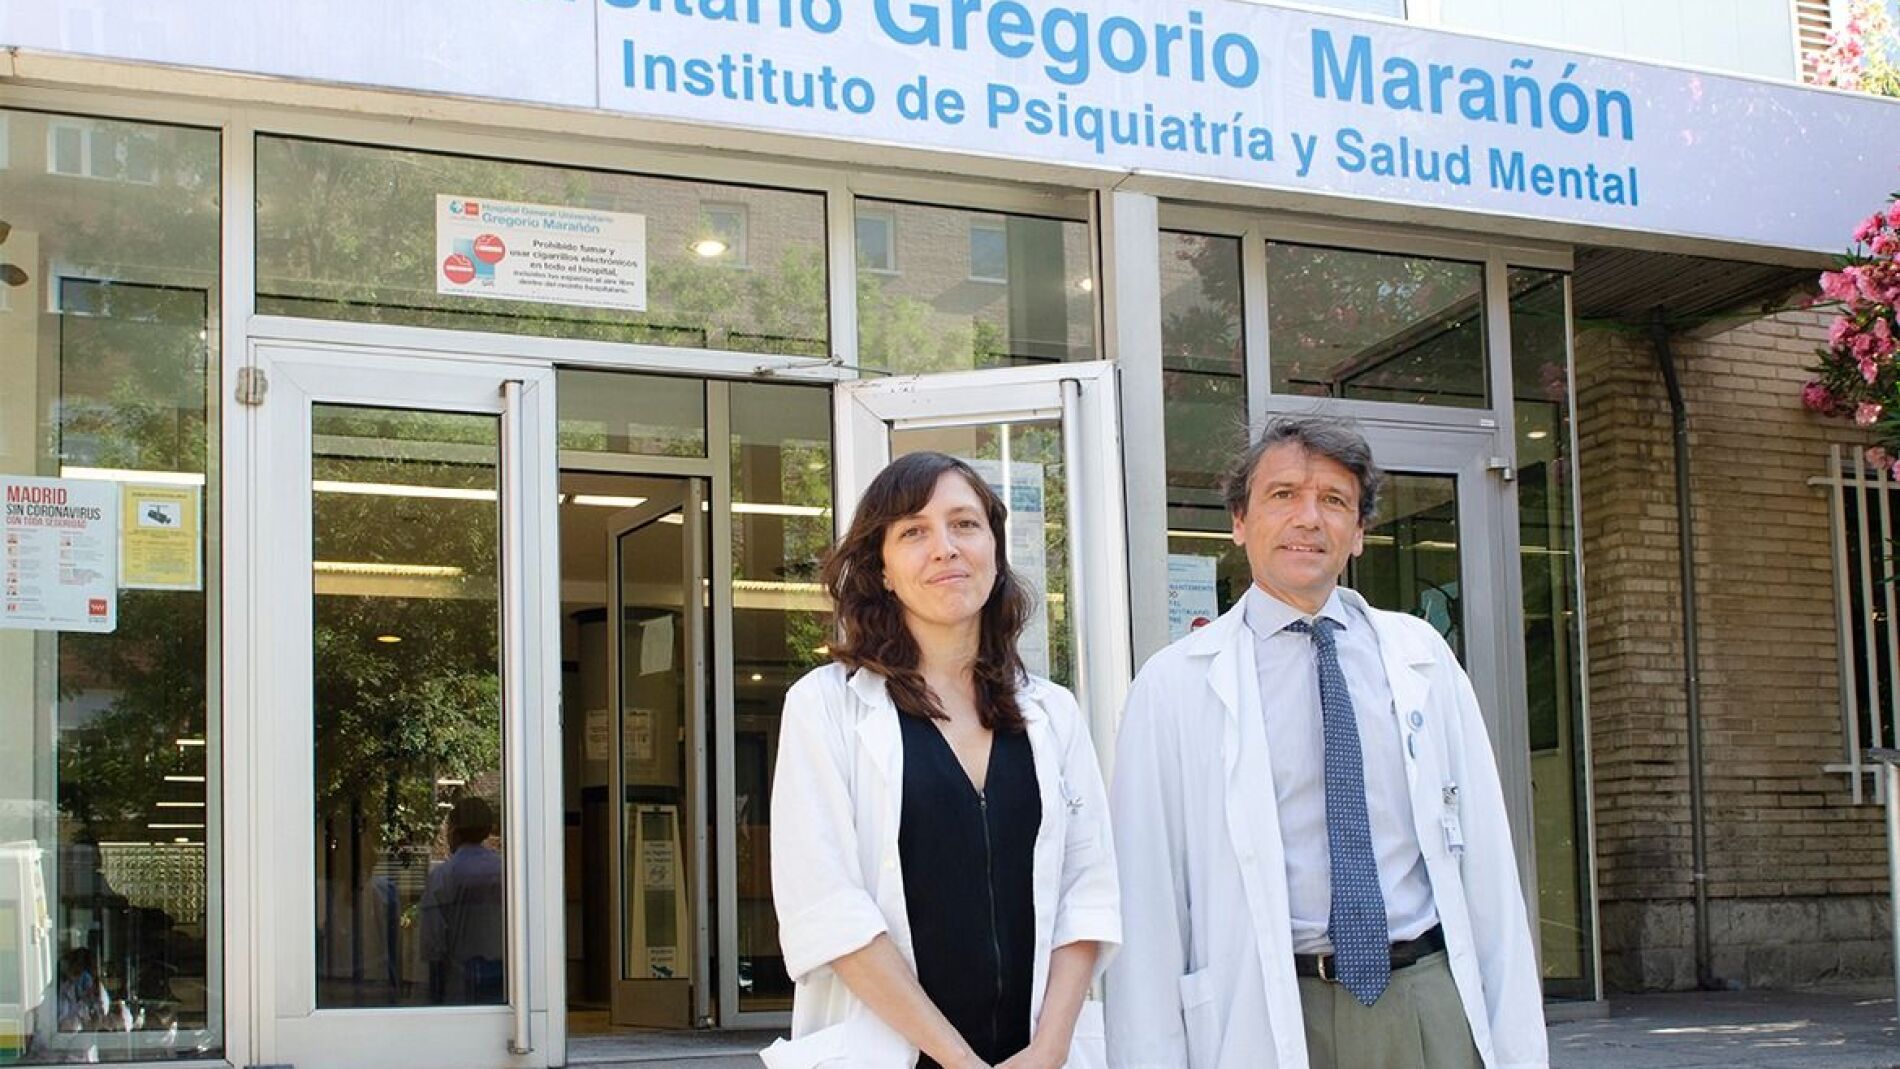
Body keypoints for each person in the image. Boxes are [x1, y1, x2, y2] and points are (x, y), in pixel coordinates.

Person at [1105, 418, 1546, 1069]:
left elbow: (1488, 863)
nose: (1308, 518)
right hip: (1267, 1007)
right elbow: (1147, 906)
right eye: (1282, 494)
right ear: (1239, 521)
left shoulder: (1422, 657)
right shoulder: (1172, 686)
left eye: (1334, 500)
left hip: (1426, 1002)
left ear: (1359, 532)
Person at [766, 451, 1120, 1069]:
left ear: (994, 548)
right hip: (896, 1053)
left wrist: (1050, 1049)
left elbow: (1087, 893)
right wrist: (959, 1061)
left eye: (964, 524)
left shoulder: (1053, 712)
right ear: (881, 568)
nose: (945, 548)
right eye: (914, 532)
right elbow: (828, 909)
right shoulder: (824, 707)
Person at [419, 796, 506, 1005]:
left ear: (454, 830)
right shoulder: (506, 872)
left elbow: (433, 940)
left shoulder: (443, 876)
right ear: (488, 829)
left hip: (460, 979)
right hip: (506, 975)